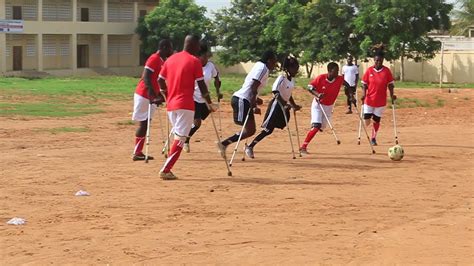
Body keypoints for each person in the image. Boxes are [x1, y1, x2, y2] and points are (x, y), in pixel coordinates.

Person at [157, 35, 217, 180]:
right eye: (198, 46)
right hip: (185, 105)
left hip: (171, 105)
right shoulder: (194, 61)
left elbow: (160, 80)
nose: (199, 49)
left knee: (179, 136)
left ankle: (167, 168)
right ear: (194, 45)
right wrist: (209, 103)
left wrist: (166, 96)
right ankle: (166, 169)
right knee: (181, 138)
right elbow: (202, 86)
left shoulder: (170, 59)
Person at [218, 50, 278, 157]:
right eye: (274, 61)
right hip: (242, 100)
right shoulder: (263, 68)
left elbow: (252, 86)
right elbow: (253, 87)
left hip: (244, 99)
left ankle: (224, 144)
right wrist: (254, 105)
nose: (275, 64)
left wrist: (256, 99)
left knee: (250, 130)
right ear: (269, 60)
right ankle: (224, 144)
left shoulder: (260, 66)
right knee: (249, 129)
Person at [244, 56, 301, 159]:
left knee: (273, 128)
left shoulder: (292, 80)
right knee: (268, 130)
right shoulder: (282, 78)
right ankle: (250, 147)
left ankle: (250, 146)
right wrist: (283, 103)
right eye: (295, 69)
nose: (296, 71)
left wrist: (293, 105)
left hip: (284, 107)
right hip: (276, 105)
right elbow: (275, 91)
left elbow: (289, 94)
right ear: (288, 68)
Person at [131, 39, 173, 161]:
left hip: (150, 94)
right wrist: (152, 95)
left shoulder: (161, 61)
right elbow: (146, 77)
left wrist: (159, 95)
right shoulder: (154, 58)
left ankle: (138, 152)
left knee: (146, 122)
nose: (171, 51)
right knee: (143, 123)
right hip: (144, 94)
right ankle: (137, 152)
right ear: (164, 47)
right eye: (170, 48)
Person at [184, 41, 222, 153]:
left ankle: (185, 134)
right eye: (204, 57)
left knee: (199, 120)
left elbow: (216, 78)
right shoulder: (193, 65)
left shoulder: (210, 66)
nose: (206, 59)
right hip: (193, 97)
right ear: (198, 56)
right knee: (197, 122)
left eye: (207, 56)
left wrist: (218, 91)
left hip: (205, 98)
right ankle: (185, 139)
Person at [299, 62, 346, 154]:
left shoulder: (339, 79)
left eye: (338, 71)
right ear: (329, 71)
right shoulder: (321, 78)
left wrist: (351, 95)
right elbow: (310, 87)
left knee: (322, 127)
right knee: (317, 126)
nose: (337, 73)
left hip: (329, 107)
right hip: (318, 105)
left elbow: (347, 85)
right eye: (335, 71)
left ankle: (315, 126)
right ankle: (303, 147)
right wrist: (318, 94)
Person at [361, 45, 396, 146]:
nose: (378, 62)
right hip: (369, 100)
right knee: (367, 120)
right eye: (376, 60)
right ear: (374, 60)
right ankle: (369, 128)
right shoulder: (369, 71)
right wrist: (363, 94)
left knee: (376, 120)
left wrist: (392, 95)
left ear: (383, 60)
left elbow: (390, 85)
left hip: (380, 101)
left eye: (380, 61)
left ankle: (373, 138)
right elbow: (364, 84)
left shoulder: (386, 71)